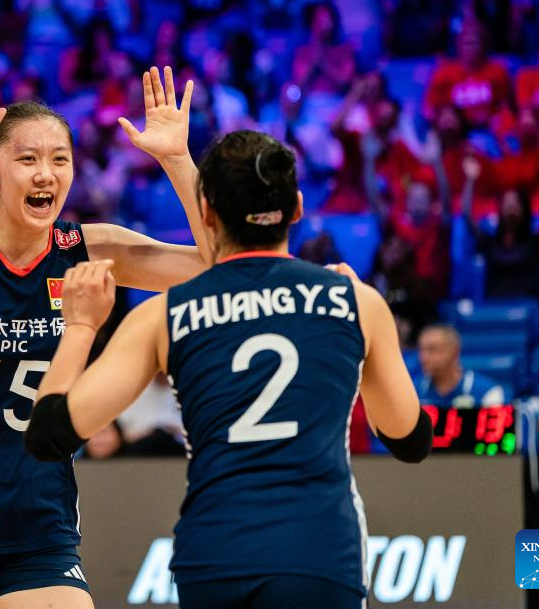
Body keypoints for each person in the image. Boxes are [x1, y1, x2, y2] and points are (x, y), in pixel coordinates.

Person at [24, 130, 431, 609]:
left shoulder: (164, 315)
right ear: (297, 208)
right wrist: (361, 336)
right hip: (319, 552)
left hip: (214, 555)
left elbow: (48, 435)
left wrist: (80, 326)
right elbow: (408, 439)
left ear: (207, 215)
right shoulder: (353, 301)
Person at [0, 60, 207, 609]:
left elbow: (215, 262)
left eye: (59, 159)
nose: (45, 174)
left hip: (37, 522)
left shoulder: (89, 248)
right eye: (27, 159)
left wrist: (177, 159)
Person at [462, 156, 539, 298]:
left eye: (515, 203)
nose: (511, 207)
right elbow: (467, 216)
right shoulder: (490, 243)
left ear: (524, 210)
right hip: (497, 305)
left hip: (528, 305)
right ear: (500, 210)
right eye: (507, 203)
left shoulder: (534, 242)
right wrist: (470, 180)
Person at [417, 324, 505, 408]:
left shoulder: (487, 392)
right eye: (421, 350)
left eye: (432, 349)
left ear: (455, 352)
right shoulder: (413, 392)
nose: (424, 358)